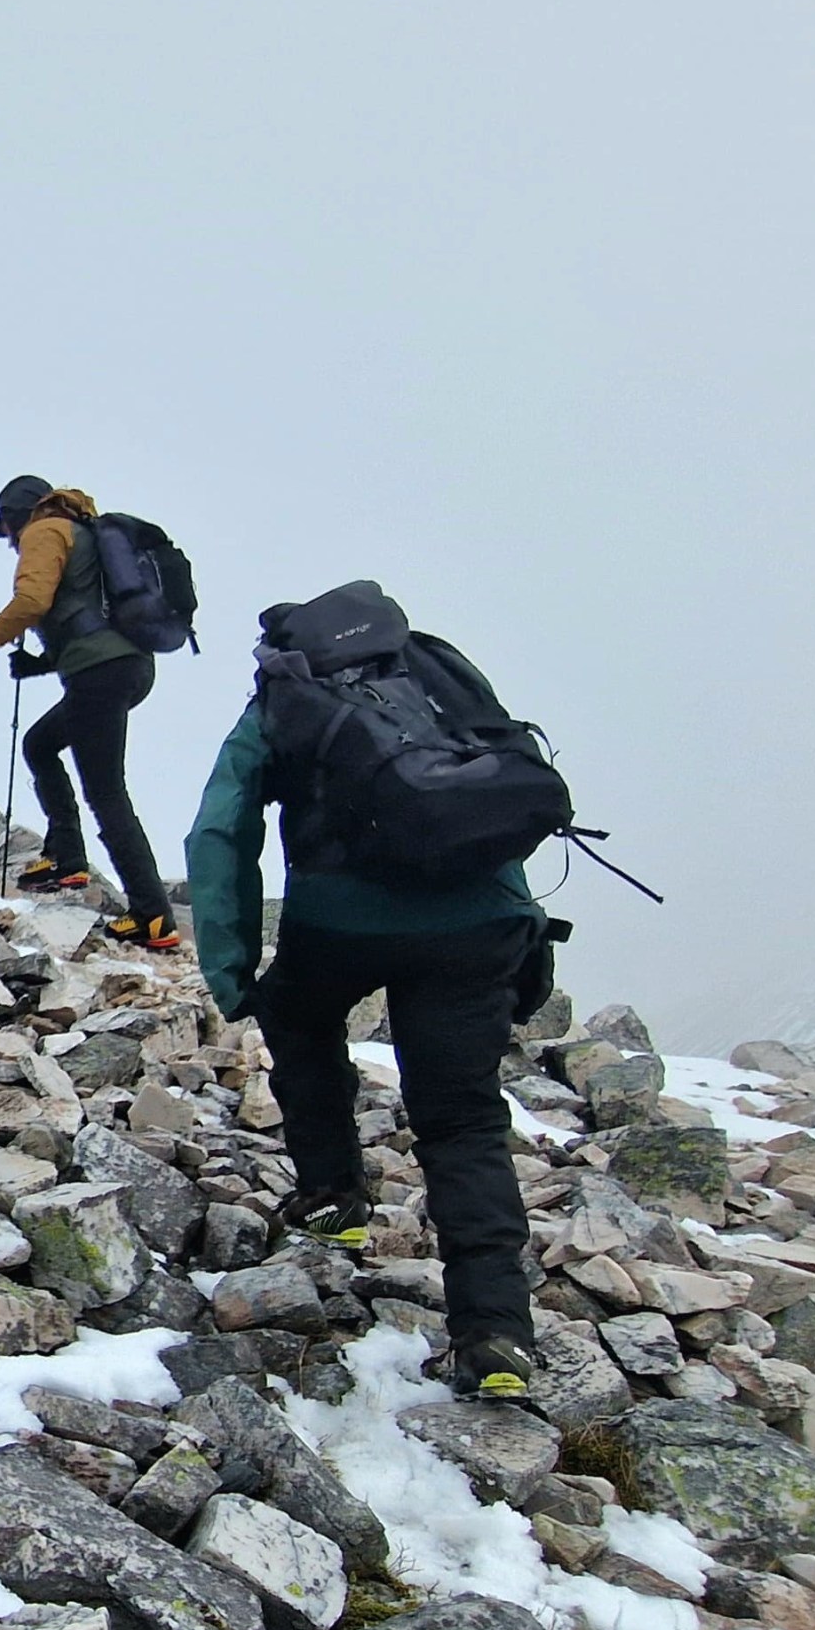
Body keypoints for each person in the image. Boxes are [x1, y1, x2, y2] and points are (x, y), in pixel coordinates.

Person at [185, 582, 550, 1401]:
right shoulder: (434, 677)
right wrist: (518, 933)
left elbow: (220, 831)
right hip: (475, 923)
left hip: (339, 922)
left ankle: (333, 1196)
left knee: (297, 1012)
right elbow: (483, 795)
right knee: (463, 1122)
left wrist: (235, 972)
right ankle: (494, 1334)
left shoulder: (287, 697)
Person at [0, 474, 175, 948]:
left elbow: (32, 601)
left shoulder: (45, 530)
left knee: (107, 793)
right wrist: (39, 664)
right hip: (125, 667)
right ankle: (68, 858)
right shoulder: (83, 533)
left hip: (101, 673)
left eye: (7, 530)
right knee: (41, 743)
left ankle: (153, 916)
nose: (11, 542)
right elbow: (86, 617)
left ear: (18, 514)